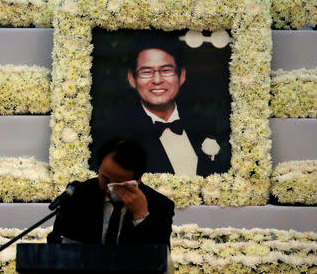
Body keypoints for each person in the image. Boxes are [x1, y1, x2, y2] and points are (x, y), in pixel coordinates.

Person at [92, 35, 230, 177]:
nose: (157, 80)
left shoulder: (206, 124)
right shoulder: (117, 134)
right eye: (146, 72)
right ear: (132, 79)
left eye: (166, 70)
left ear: (181, 75)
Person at [47, 137, 175, 247]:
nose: (108, 188)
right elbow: (55, 243)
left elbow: (159, 259)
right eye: (105, 178)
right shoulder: (79, 194)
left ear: (138, 180)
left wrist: (140, 215)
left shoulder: (160, 205)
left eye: (117, 184)